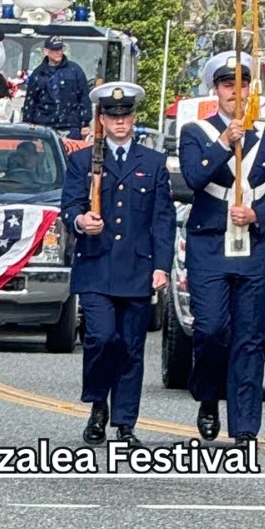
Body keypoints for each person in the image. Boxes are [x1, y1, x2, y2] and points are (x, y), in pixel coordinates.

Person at [178, 51, 265, 446]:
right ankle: (209, 394)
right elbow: (195, 178)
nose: (237, 93)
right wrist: (224, 142)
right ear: (216, 90)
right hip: (210, 246)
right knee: (212, 330)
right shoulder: (196, 133)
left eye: (243, 85)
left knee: (250, 337)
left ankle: (245, 426)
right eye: (229, 86)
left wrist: (259, 214)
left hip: (253, 249)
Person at [60, 82, 174, 447]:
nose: (120, 122)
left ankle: (125, 421)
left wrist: (161, 266)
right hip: (96, 265)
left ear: (133, 118)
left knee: (130, 347)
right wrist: (82, 221)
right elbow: (69, 208)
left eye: (125, 115)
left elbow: (162, 219)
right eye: (112, 116)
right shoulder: (83, 160)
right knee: (100, 337)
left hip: (137, 268)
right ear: (102, 119)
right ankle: (97, 405)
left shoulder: (152, 163)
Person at [21, 36, 92, 140]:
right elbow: (30, 101)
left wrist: (85, 123)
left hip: (70, 126)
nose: (59, 52)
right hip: (43, 126)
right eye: (55, 50)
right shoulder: (38, 74)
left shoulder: (75, 70)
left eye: (60, 49)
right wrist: (27, 126)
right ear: (46, 51)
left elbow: (84, 96)